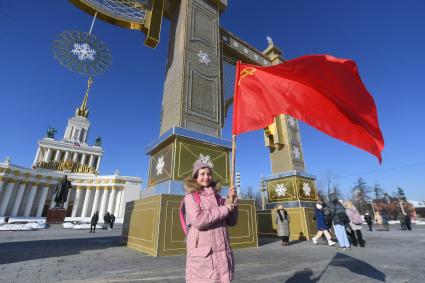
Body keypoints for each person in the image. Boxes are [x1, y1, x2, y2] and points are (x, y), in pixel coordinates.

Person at [184, 161, 238, 283]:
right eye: (202, 174)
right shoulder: (191, 197)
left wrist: (232, 201)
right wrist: (225, 209)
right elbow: (198, 220)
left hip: (222, 257)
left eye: (209, 174)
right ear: (195, 177)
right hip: (204, 258)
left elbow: (232, 221)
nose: (206, 177)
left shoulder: (219, 198)